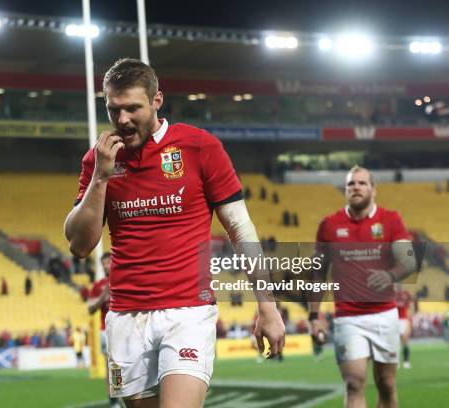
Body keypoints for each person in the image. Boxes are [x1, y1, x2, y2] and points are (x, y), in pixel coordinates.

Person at [64, 58, 284, 407]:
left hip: (187, 312)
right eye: (113, 109)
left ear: (156, 101)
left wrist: (267, 307)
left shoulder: (199, 147)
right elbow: (79, 244)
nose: (122, 120)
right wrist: (100, 178)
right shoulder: (98, 160)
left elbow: (240, 229)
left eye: (132, 108)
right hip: (126, 316)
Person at [309, 166, 417, 408]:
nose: (355, 187)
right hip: (348, 318)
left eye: (361, 183)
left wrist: (390, 274)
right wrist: (314, 316)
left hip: (385, 315)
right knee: (354, 383)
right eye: (350, 184)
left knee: (387, 384)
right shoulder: (329, 225)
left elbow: (409, 261)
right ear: (346, 190)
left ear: (373, 189)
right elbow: (318, 273)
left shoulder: (391, 219)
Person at [87, 252, 118, 408]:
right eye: (104, 263)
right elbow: (90, 309)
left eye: (109, 262)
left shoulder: (122, 280)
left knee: (128, 363)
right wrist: (103, 297)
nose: (107, 265)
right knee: (112, 365)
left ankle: (130, 394)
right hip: (106, 329)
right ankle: (114, 398)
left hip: (124, 328)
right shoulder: (98, 286)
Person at [395, 285, 413, 369]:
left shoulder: (406, 294)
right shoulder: (392, 295)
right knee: (395, 343)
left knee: (405, 341)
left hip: (403, 320)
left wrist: (409, 321)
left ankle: (406, 361)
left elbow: (410, 308)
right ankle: (396, 362)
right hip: (394, 320)